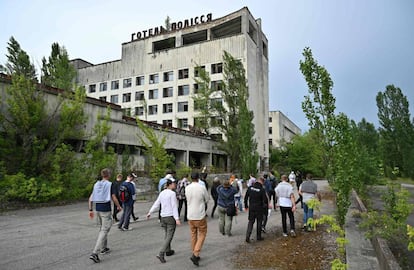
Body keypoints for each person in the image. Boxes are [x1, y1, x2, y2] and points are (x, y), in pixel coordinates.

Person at [88, 168, 122, 263]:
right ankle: (95, 253)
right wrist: (119, 206)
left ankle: (104, 248)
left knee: (102, 228)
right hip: (105, 209)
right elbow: (113, 197)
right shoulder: (110, 184)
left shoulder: (96, 184)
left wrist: (90, 209)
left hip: (97, 208)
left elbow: (90, 198)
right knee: (104, 230)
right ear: (109, 175)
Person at [147, 178, 181, 263]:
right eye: (174, 183)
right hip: (170, 217)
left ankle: (168, 251)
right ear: (170, 184)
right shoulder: (172, 194)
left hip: (163, 217)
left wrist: (150, 212)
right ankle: (161, 253)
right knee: (169, 235)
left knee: (167, 234)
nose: (175, 185)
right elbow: (174, 206)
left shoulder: (162, 193)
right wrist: (177, 218)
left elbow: (156, 203)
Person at [185, 172, 210, 266]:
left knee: (193, 234)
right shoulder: (201, 187)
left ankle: (194, 252)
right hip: (199, 214)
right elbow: (207, 199)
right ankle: (195, 254)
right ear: (198, 178)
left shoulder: (187, 188)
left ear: (191, 178)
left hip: (190, 214)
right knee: (202, 233)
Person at [244, 176, 268, 243]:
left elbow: (246, 198)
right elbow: (265, 200)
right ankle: (258, 236)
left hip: (251, 207)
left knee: (251, 222)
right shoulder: (262, 190)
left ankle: (247, 236)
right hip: (259, 208)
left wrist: (246, 206)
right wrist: (265, 207)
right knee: (259, 222)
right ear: (262, 182)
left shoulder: (250, 188)